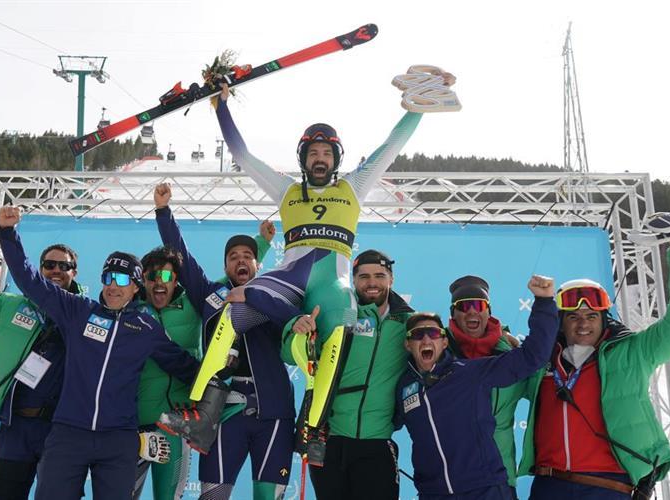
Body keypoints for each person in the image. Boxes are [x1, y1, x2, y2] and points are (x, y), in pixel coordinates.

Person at [163, 71, 457, 463]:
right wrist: (221, 106)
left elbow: (391, 146)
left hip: (330, 283)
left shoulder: (352, 187)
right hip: (291, 278)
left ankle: (314, 430)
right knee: (232, 313)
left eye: (327, 154)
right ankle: (203, 412)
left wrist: (418, 109)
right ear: (303, 158)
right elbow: (243, 157)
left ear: (336, 160)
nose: (320, 159)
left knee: (336, 336)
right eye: (313, 153)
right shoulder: (287, 191)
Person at [0, 205, 199, 500]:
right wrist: (8, 234)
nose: (113, 287)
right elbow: (30, 281)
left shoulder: (146, 328)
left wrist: (218, 380)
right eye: (108, 278)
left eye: (121, 280)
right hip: (69, 433)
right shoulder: (78, 311)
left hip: (118, 439)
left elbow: (182, 366)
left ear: (135, 287)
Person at [519, 228, 670, 498]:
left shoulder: (633, 352)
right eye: (574, 317)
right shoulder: (541, 361)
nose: (583, 323)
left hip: (609, 487)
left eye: (591, 316)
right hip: (549, 485)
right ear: (561, 324)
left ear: (605, 320)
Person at [153, 184, 293, 500]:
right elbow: (181, 256)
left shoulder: (274, 295)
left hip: (273, 412)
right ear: (225, 265)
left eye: (248, 257)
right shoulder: (211, 294)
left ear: (258, 264)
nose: (240, 261)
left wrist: (262, 246)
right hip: (223, 412)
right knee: (213, 496)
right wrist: (164, 212)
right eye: (233, 257)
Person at [395, 275, 558, 500]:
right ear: (407, 344)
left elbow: (533, 356)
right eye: (417, 335)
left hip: (486, 487)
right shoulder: (404, 387)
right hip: (434, 492)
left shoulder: (469, 372)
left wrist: (544, 302)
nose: (425, 340)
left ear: (443, 341)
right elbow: (382, 420)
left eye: (433, 334)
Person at [0, 238, 81, 500]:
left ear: (74, 272)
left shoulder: (83, 314)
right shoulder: (9, 306)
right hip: (16, 426)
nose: (55, 270)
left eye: (63, 266)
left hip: (61, 430)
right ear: (39, 269)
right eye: (49, 264)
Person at [286, 249, 413, 500]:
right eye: (364, 276)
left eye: (379, 275)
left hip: (376, 442)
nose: (372, 283)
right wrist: (296, 327)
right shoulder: (339, 312)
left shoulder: (408, 323)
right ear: (353, 280)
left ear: (391, 279)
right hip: (329, 439)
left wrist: (502, 338)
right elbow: (292, 353)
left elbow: (446, 346)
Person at [132, 245, 203, 500]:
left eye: (165, 277)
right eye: (152, 276)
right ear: (142, 280)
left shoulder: (192, 305)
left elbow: (231, 280)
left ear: (176, 281)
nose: (158, 283)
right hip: (136, 426)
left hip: (177, 425)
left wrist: (259, 246)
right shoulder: (130, 308)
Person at [444, 275, 522, 493]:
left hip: (498, 479)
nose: (472, 311)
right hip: (449, 478)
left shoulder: (511, 353)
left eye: (479, 305)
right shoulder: (439, 355)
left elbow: (544, 389)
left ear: (488, 311)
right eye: (463, 306)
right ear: (453, 314)